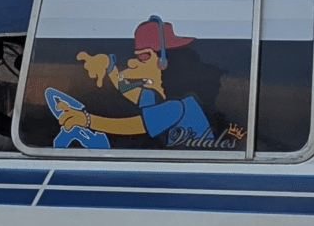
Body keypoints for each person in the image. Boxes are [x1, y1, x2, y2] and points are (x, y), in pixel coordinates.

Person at [54, 15, 213, 146]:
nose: (131, 62)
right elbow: (124, 88)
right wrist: (110, 67)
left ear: (163, 61)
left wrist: (86, 119)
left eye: (143, 56)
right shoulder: (151, 93)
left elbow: (131, 126)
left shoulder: (177, 106)